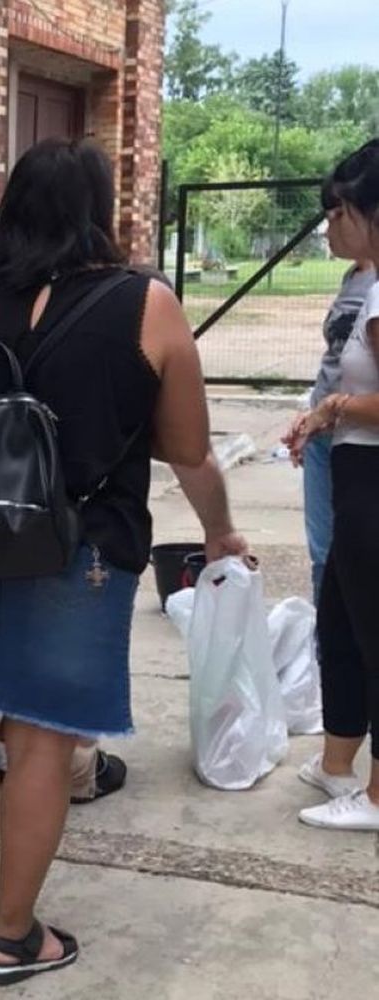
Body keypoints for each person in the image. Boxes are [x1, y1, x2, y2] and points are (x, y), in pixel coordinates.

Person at [0, 139, 245, 984]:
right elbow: (188, 449)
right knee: (40, 742)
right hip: (85, 551)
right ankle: (11, 938)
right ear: (98, 211)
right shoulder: (146, 304)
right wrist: (220, 532)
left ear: (11, 209)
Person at [287, 139, 379, 831]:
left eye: (339, 211)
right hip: (354, 476)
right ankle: (338, 762)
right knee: (342, 620)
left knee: (369, 627)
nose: (330, 226)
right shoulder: (367, 283)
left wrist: (336, 410)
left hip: (371, 479)